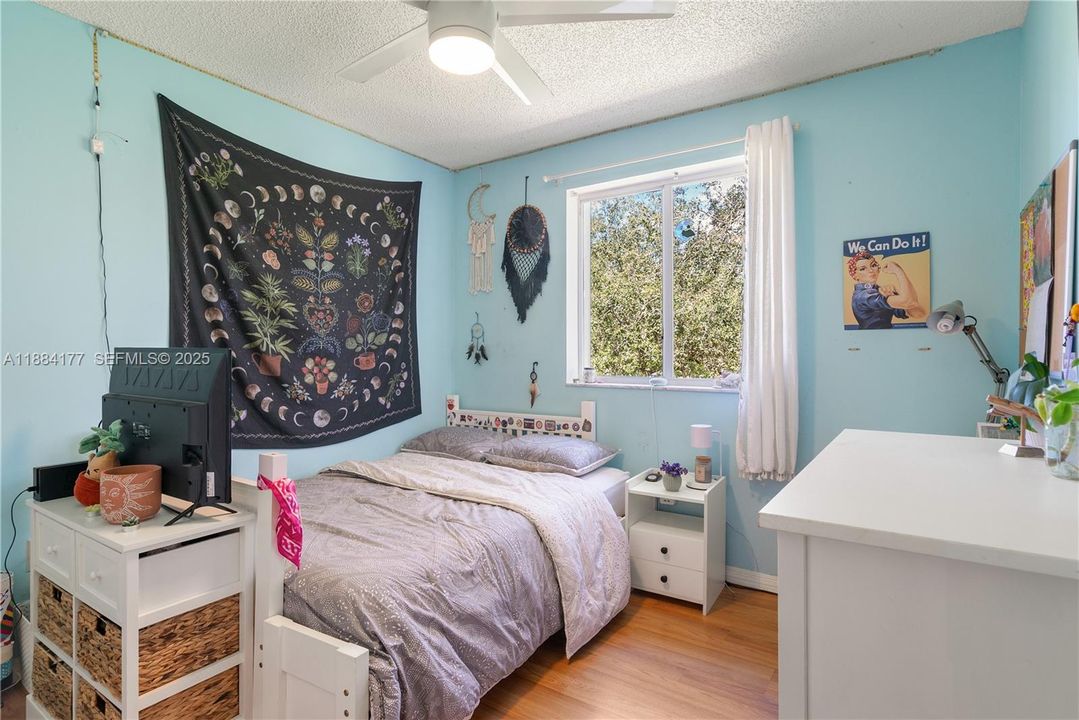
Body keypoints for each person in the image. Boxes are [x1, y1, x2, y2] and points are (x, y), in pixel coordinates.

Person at [847, 250, 926, 329]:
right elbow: (909, 302)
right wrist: (898, 271)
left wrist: (895, 295)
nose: (870, 270)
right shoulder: (863, 296)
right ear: (855, 276)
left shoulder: (879, 291)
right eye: (863, 269)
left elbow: (918, 314)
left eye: (873, 265)